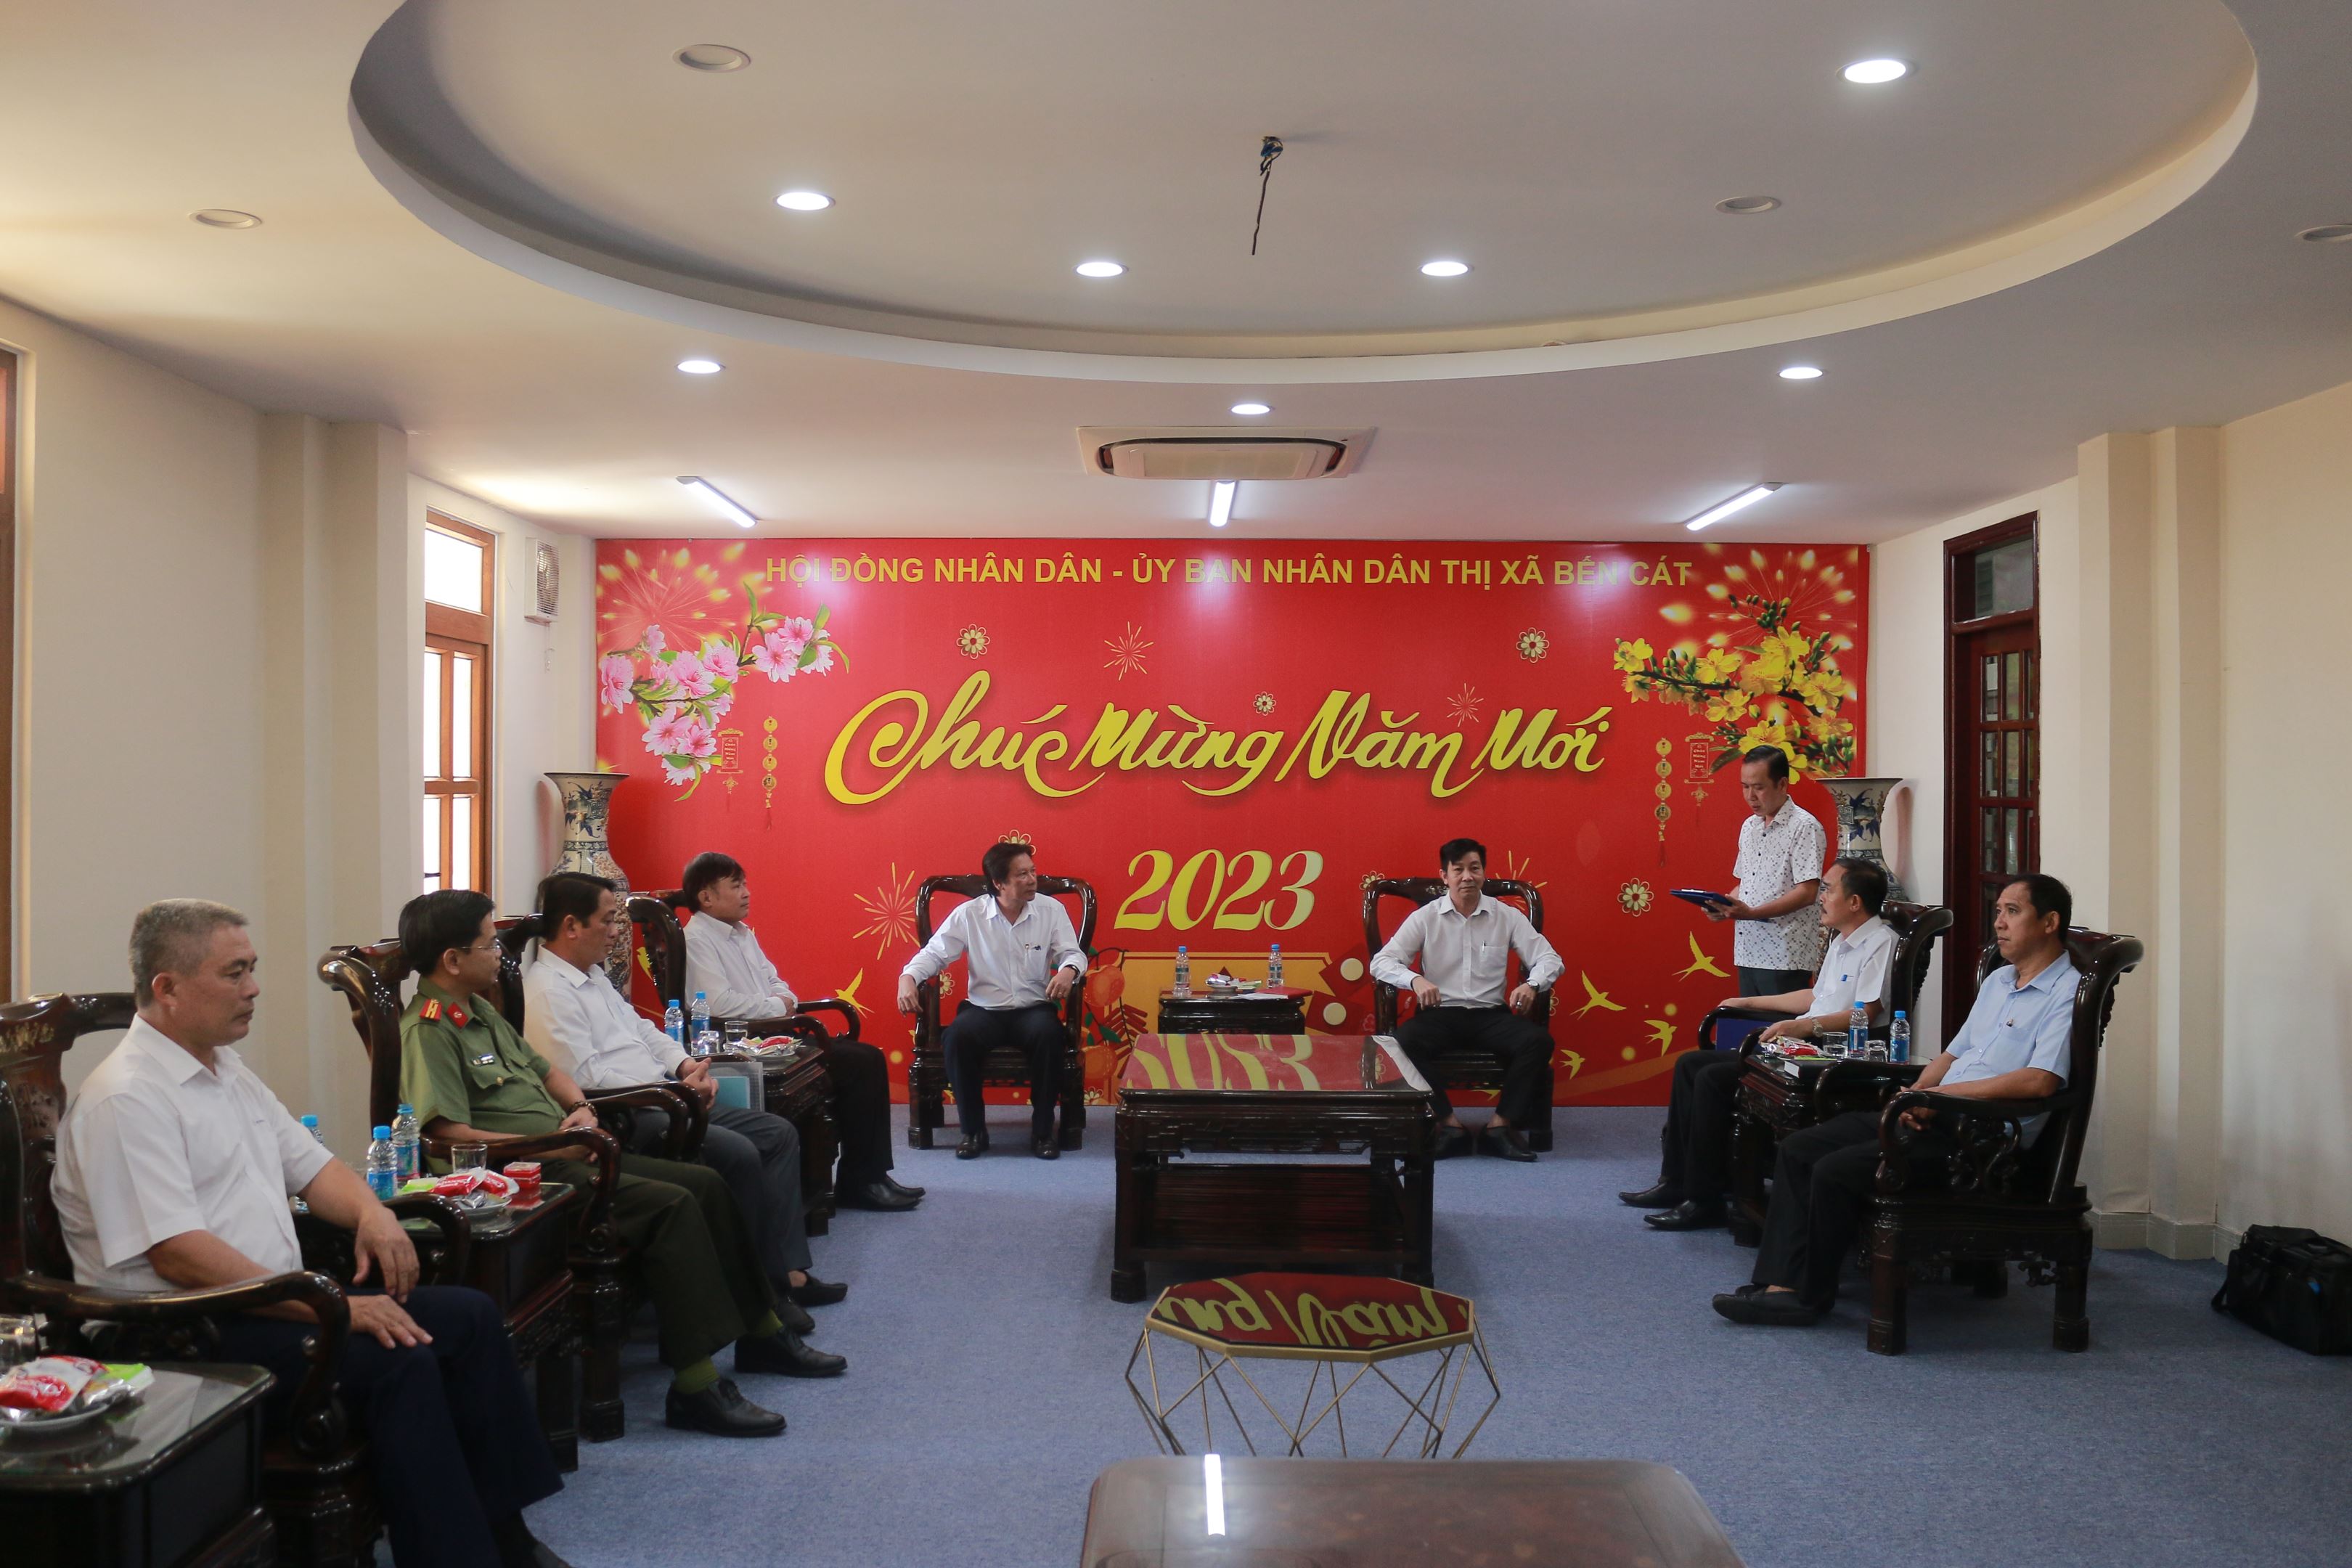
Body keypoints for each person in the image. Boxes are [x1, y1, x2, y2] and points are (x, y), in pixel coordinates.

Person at [51, 899, 566, 1568]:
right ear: (168, 988)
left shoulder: (224, 1069)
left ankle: (507, 1538)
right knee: (399, 1361)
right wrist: (336, 1307)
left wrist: (373, 1215)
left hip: (275, 1300)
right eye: (234, 973)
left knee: (469, 1318)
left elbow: (315, 1168)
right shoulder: (127, 1098)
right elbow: (178, 1256)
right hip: (187, 1330)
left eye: (252, 968)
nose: (254, 988)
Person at [396, 889, 811, 1435]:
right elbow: (445, 1135)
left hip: (572, 1148)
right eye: (489, 944)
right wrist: (552, 1143)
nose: (500, 954)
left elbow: (546, 1072)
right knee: (673, 1205)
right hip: (523, 1176)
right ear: (453, 960)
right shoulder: (428, 1029)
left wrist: (581, 1110)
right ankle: (696, 1385)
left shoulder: (478, 1009)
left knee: (707, 1185)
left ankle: (763, 1331)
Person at [1712, 873, 2080, 1326]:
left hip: (1983, 1139)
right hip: (1937, 1110)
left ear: (2050, 922)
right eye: (1999, 911)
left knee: (1833, 1170)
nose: (1998, 922)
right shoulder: (2000, 981)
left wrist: (1936, 1097)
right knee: (1800, 1148)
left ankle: (1807, 1298)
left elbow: (2039, 1081)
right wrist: (1913, 1094)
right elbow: (1952, 1054)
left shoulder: (2068, 992)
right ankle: (1779, 1284)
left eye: (2013, 911)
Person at [518, 873, 848, 1356]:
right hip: (631, 1113)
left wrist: (685, 1066)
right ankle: (768, 1302)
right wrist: (672, 1092)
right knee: (739, 1154)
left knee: (776, 1134)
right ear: (571, 926)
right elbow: (585, 1078)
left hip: (665, 1095)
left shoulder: (592, 974)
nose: (617, 932)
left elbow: (644, 1031)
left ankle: (785, 1275)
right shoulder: (547, 990)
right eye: (608, 921)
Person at [1626, 857, 1900, 1230]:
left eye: (1828, 889)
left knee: (1712, 1079)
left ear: (1855, 902)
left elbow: (1866, 1014)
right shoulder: (1842, 940)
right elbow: (1814, 997)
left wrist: (1802, 1028)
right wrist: (1748, 1003)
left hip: (1832, 1053)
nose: (1821, 897)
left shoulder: (1881, 942)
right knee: (1690, 1065)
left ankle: (1704, 1199)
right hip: (1805, 1043)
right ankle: (1675, 1180)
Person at [679, 849, 922, 1213]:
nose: (746, 892)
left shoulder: (740, 932)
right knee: (858, 1063)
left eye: (745, 884)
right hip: (740, 1047)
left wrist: (784, 1001)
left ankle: (867, 1176)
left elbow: (776, 981)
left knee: (866, 1058)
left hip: (770, 1038)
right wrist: (779, 1007)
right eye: (736, 886)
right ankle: (862, 1181)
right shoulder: (697, 940)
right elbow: (718, 1005)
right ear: (706, 897)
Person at [1368, 838, 1564, 1161]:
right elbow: (1381, 963)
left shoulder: (1506, 916)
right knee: (1401, 1043)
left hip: (1491, 1015)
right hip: (1440, 1014)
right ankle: (1449, 1125)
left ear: (1484, 873)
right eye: (1458, 870)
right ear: (1444, 876)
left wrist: (1532, 984)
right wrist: (1415, 979)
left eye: (1474, 868)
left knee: (1538, 1041)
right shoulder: (1426, 917)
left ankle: (1499, 1127)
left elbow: (1550, 959)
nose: (1467, 877)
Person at [897, 841, 1085, 1160]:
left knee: (1049, 1036)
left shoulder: (1051, 910)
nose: (1032, 880)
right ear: (999, 883)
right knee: (957, 1037)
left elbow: (1072, 953)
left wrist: (1068, 971)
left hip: (1032, 1010)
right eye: (1022, 875)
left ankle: (1042, 1132)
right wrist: (908, 977)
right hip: (984, 1009)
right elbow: (934, 954)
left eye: (1033, 872)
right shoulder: (970, 914)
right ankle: (973, 1131)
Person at [1702, 746, 1829, 997]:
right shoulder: (1749, 826)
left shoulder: (1805, 827)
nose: (1750, 796)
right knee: (1750, 1021)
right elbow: (1746, 883)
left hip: (1785, 953)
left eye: (1759, 787)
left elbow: (1807, 892)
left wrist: (1752, 913)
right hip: (1748, 949)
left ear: (1782, 784)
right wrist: (1724, 906)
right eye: (1745, 787)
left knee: (1779, 1022)